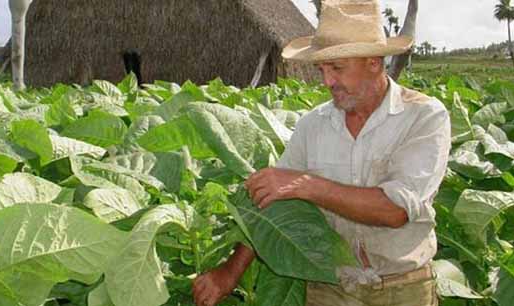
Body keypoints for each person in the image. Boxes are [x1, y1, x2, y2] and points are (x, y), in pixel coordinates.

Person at [192, 0, 450, 305]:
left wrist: (307, 185)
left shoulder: (423, 117)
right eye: (322, 69)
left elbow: (395, 211)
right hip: (329, 287)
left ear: (373, 62)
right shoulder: (312, 125)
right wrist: (229, 272)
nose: (327, 81)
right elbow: (271, 200)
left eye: (338, 68)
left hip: (402, 288)